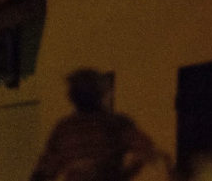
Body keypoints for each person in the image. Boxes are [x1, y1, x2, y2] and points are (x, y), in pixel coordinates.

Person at [30, 69, 164, 181]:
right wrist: (123, 175)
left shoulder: (65, 128)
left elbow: (45, 170)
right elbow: (146, 151)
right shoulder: (115, 123)